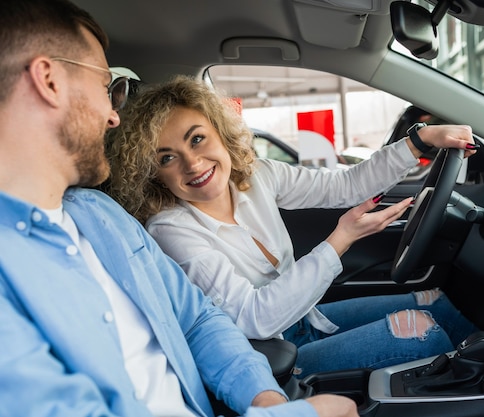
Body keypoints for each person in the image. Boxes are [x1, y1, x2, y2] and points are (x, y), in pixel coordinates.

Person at [0, 0, 358, 416]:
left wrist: (265, 397)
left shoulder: (101, 215)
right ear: (49, 80)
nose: (113, 115)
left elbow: (196, 320)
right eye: (106, 87)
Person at [106, 76, 480, 378]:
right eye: (168, 158)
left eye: (198, 139)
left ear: (220, 131)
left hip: (302, 320)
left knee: (437, 304)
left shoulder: (257, 176)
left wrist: (420, 139)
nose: (192, 164)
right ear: (152, 172)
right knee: (422, 330)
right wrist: (341, 239)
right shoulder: (170, 230)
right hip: (266, 358)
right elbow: (254, 318)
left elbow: (347, 186)